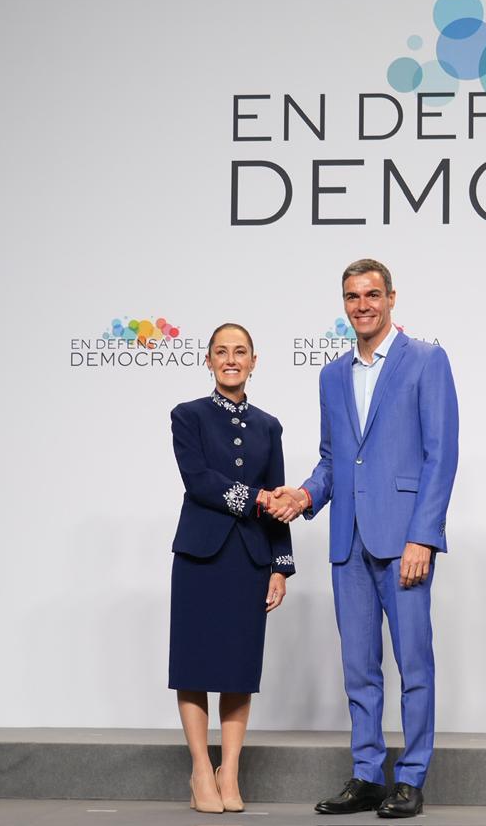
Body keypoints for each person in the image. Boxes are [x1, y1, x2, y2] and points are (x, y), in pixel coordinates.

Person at [272, 259, 459, 818]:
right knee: (359, 669)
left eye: (372, 295)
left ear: (391, 298)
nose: (362, 305)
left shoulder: (426, 359)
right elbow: (334, 460)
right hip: (347, 543)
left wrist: (423, 536)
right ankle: (367, 774)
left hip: (404, 542)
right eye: (353, 297)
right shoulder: (331, 375)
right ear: (344, 304)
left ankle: (411, 777)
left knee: (414, 665)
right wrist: (303, 497)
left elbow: (441, 455)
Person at [168, 323, 296, 814]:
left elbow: (279, 496)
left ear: (253, 362)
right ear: (208, 361)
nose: (230, 359)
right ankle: (202, 769)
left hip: (250, 559)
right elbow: (198, 480)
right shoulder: (188, 416)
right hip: (200, 556)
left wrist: (280, 566)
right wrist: (256, 498)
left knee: (239, 670)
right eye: (221, 352)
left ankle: (231, 771)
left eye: (240, 352)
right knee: (195, 665)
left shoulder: (269, 425)